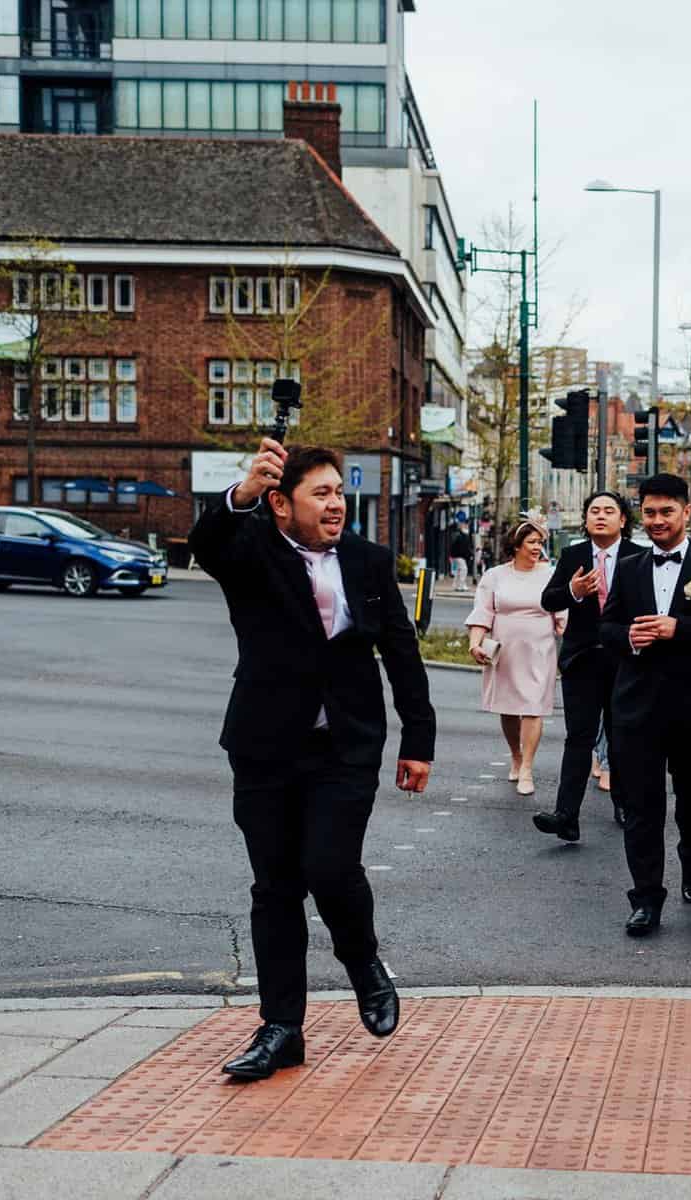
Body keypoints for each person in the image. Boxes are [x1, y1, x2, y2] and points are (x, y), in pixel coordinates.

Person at [188, 437, 434, 1082]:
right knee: (275, 888)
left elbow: (401, 651)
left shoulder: (369, 559)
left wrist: (419, 739)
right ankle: (281, 1028)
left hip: (345, 746)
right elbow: (206, 544)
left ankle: (362, 962)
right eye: (321, 494)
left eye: (339, 493)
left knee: (330, 867)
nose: (337, 504)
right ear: (280, 504)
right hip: (265, 744)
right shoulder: (251, 554)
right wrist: (238, 495)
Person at [599, 473, 691, 937]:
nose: (657, 520)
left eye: (666, 512)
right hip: (635, 705)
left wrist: (677, 628)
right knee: (642, 806)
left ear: (686, 512)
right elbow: (607, 628)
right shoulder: (631, 566)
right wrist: (630, 637)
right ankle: (645, 899)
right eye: (650, 512)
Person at [530, 492, 644, 842]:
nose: (601, 516)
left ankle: (625, 804)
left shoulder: (639, 556)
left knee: (622, 734)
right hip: (582, 659)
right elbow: (548, 599)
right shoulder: (574, 555)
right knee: (578, 737)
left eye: (609, 511)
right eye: (594, 511)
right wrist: (574, 590)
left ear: (623, 520)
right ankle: (566, 816)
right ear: (585, 519)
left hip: (625, 659)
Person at [466, 519, 562, 798]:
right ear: (516, 546)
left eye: (540, 543)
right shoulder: (495, 576)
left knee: (534, 707)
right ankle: (515, 755)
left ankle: (528, 769)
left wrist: (564, 624)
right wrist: (475, 645)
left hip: (539, 649)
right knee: (508, 709)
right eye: (532, 542)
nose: (537, 548)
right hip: (505, 649)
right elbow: (482, 613)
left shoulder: (550, 574)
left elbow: (562, 609)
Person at [447, 524, 474, 591]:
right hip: (459, 556)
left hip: (457, 556)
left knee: (459, 571)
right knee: (463, 569)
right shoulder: (463, 537)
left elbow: (454, 546)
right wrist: (469, 555)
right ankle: (461, 585)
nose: (467, 528)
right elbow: (464, 548)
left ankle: (456, 585)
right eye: (466, 527)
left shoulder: (459, 536)